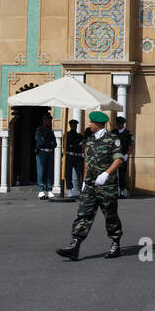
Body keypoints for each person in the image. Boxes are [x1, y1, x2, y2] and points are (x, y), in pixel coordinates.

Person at [56, 110, 125, 261]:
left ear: (98, 124)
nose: (89, 124)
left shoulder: (113, 139)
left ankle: (115, 243)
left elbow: (118, 160)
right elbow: (87, 160)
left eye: (91, 122)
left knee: (110, 215)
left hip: (107, 186)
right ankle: (75, 245)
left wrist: (106, 174)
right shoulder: (91, 139)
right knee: (83, 214)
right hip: (91, 185)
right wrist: (84, 182)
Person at [34, 114, 56, 199]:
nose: (49, 122)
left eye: (50, 120)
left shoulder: (51, 131)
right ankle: (41, 190)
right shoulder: (39, 130)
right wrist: (49, 143)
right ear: (44, 120)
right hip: (42, 153)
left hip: (50, 153)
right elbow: (40, 143)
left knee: (50, 171)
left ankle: (49, 189)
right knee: (41, 171)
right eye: (48, 120)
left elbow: (55, 144)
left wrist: (48, 143)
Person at [64, 119, 85, 198]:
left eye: (75, 125)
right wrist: (76, 145)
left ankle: (80, 189)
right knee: (68, 173)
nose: (74, 126)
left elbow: (81, 145)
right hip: (69, 156)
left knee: (80, 173)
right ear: (70, 126)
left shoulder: (79, 136)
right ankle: (69, 189)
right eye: (72, 125)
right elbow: (66, 146)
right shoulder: (67, 135)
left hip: (77, 156)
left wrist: (74, 146)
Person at [113, 116, 134, 197]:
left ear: (122, 124)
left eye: (119, 124)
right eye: (117, 123)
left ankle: (121, 190)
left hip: (122, 156)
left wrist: (127, 155)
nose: (118, 125)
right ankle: (114, 190)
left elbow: (132, 145)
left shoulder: (128, 134)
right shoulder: (113, 132)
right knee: (113, 173)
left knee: (122, 174)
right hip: (114, 156)